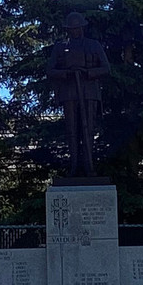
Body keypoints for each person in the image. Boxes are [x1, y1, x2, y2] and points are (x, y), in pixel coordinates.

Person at [46, 12, 111, 176]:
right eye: (72, 29)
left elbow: (106, 69)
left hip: (89, 91)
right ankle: (74, 166)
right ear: (68, 30)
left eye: (77, 28)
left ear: (82, 27)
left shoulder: (93, 45)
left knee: (88, 129)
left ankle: (89, 166)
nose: (75, 31)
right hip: (69, 92)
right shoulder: (60, 47)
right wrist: (66, 73)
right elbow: (50, 71)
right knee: (72, 131)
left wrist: (88, 72)